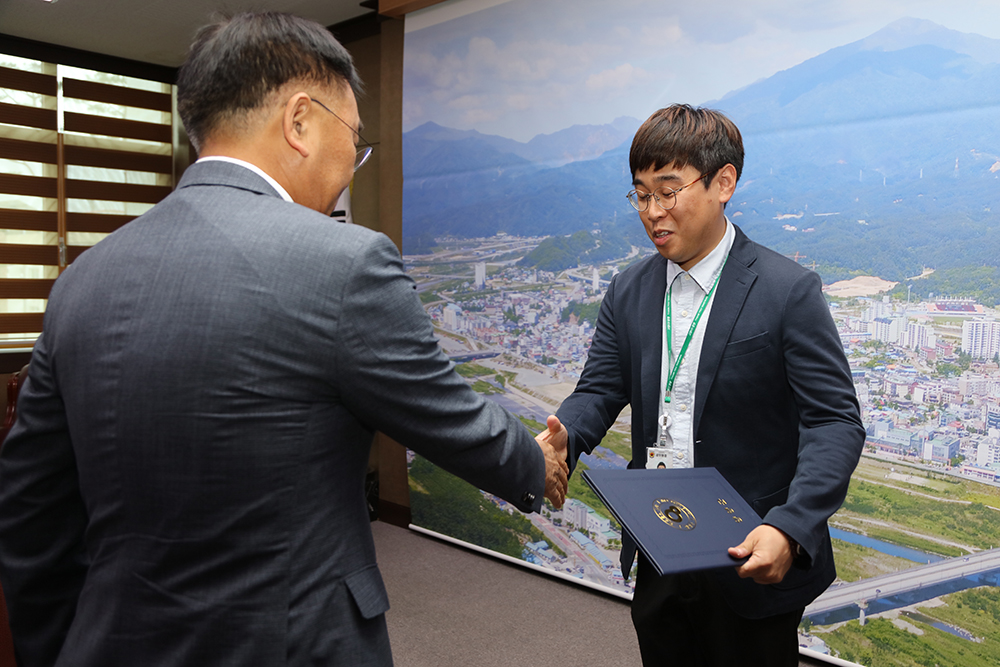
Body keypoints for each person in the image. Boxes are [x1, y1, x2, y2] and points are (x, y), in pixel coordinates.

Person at [0, 12, 567, 667]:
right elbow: (442, 410)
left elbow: (31, 509)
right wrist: (535, 458)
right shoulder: (344, 263)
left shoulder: (81, 280)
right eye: (354, 140)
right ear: (300, 121)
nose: (353, 166)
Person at [542, 105, 865, 666]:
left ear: (724, 183)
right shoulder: (628, 289)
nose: (652, 212)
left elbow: (834, 421)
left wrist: (789, 527)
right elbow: (598, 390)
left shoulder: (787, 290)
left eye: (668, 191)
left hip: (751, 553)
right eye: (640, 194)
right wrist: (562, 438)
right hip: (660, 546)